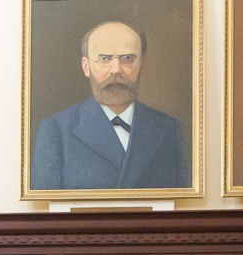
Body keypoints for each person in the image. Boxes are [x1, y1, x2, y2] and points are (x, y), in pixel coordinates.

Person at [30, 21, 188, 191]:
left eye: (127, 58)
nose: (116, 69)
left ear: (141, 64)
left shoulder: (168, 129)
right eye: (104, 59)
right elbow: (46, 202)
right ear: (86, 67)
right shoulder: (56, 130)